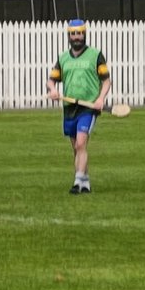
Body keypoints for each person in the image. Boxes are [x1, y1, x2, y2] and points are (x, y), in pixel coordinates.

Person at [46, 18, 111, 194]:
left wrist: (100, 99)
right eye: (73, 34)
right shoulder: (63, 58)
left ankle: (77, 181)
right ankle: (85, 181)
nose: (77, 37)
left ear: (84, 34)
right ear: (69, 35)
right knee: (76, 148)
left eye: (80, 33)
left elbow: (106, 81)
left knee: (81, 143)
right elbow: (51, 79)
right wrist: (52, 90)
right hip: (70, 108)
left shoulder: (95, 55)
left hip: (88, 107)